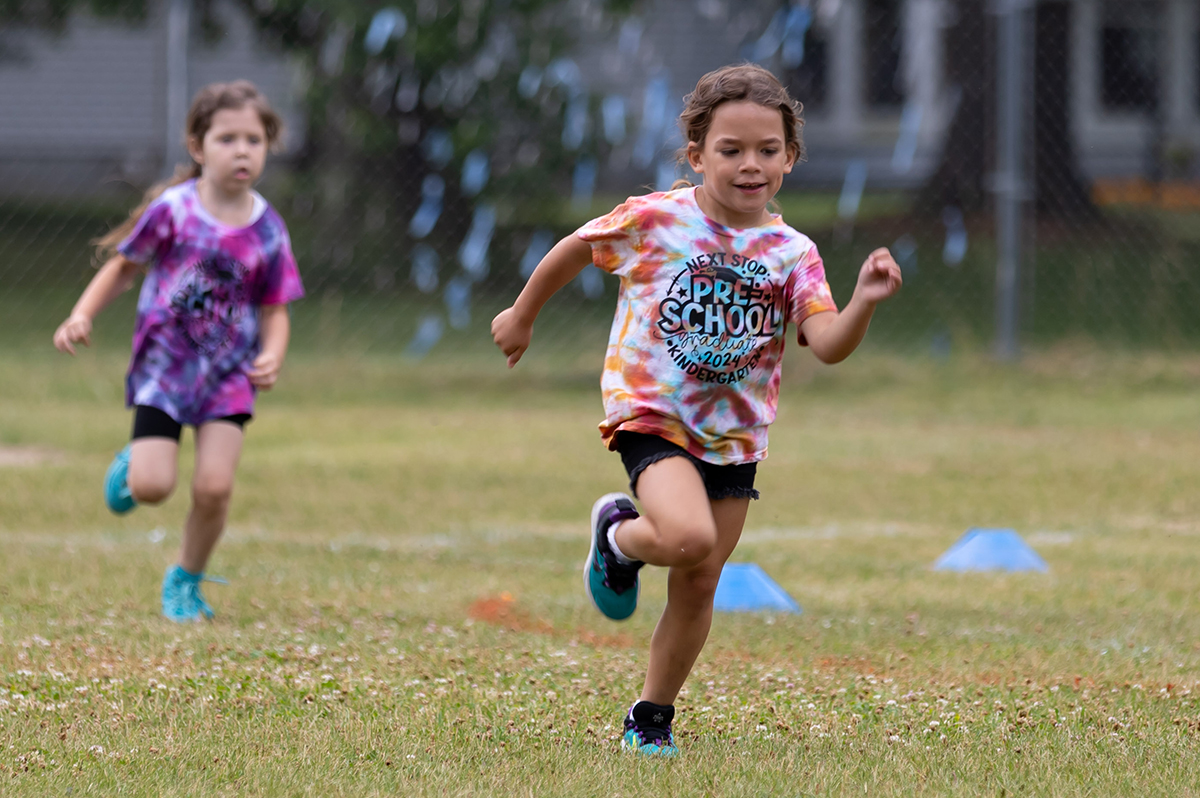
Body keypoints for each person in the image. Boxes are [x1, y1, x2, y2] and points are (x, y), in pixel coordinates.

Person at [491, 64, 901, 756]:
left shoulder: (793, 253)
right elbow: (577, 249)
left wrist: (861, 300)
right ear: (697, 156)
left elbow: (826, 343)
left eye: (767, 150)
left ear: (791, 158)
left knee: (699, 579)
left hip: (736, 437)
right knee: (687, 538)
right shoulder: (657, 218)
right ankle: (619, 539)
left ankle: (650, 718)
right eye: (731, 150)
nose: (750, 165)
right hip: (652, 413)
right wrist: (522, 312)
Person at [53, 80, 304, 623]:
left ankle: (185, 580)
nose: (242, 150)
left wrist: (274, 353)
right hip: (166, 372)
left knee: (214, 488)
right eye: (227, 138)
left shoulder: (268, 230)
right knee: (153, 486)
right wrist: (82, 314)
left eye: (254, 140)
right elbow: (124, 266)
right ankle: (131, 467)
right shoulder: (174, 211)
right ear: (198, 147)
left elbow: (276, 306)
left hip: (228, 377)